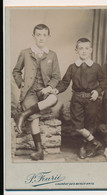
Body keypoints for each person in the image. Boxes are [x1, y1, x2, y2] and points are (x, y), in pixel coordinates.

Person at [13, 24, 61, 160]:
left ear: (48, 37)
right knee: (35, 118)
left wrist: (49, 87)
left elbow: (56, 76)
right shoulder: (25, 53)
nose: (41, 38)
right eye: (38, 35)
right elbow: (16, 71)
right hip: (30, 91)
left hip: (44, 91)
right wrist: (20, 82)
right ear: (33, 36)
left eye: (44, 35)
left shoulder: (52, 54)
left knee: (53, 99)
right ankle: (39, 151)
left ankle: (23, 115)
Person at [52, 38, 106, 159]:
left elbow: (103, 82)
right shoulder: (72, 67)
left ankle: (86, 147)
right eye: (81, 48)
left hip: (92, 100)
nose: (84, 51)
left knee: (89, 125)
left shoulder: (96, 67)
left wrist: (97, 91)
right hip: (77, 99)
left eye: (86, 48)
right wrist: (57, 89)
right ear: (76, 50)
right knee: (77, 126)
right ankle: (95, 142)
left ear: (91, 50)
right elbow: (65, 82)